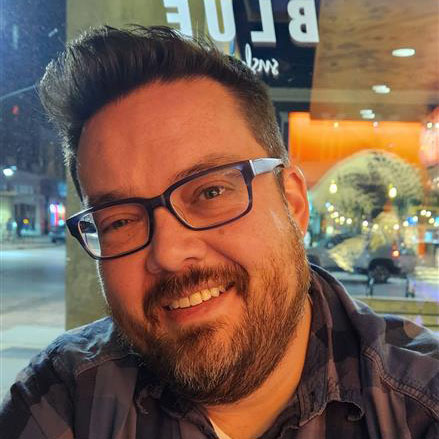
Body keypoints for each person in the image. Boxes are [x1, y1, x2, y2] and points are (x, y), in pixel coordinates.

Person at [1, 25, 438, 439]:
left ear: (293, 204)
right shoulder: (64, 399)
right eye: (119, 221)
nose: (169, 253)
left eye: (210, 192)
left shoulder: (421, 401)